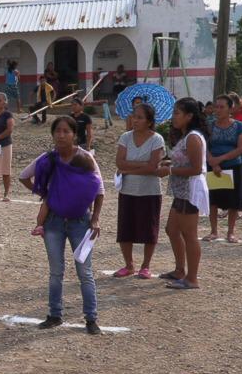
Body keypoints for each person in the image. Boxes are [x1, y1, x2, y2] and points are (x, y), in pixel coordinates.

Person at [20, 115, 104, 334]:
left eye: (66, 131)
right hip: (54, 222)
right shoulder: (48, 159)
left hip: (81, 222)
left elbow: (99, 189)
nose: (61, 135)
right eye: (58, 131)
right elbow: (23, 176)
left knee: (84, 272)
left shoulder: (85, 157)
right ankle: (54, 315)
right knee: (56, 271)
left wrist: (95, 218)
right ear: (53, 134)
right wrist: (46, 193)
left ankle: (91, 318)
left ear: (74, 134)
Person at [157, 97, 208, 290]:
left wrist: (169, 170)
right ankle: (180, 270)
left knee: (189, 234)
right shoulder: (186, 136)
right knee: (172, 229)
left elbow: (196, 168)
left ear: (189, 116)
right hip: (181, 191)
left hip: (190, 191)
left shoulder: (193, 137)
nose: (173, 117)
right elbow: (185, 163)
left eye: (177, 113)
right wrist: (170, 164)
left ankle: (192, 278)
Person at [113, 103, 167, 279]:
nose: (135, 120)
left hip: (149, 191)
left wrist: (129, 169)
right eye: (134, 116)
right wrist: (143, 165)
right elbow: (119, 162)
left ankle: (145, 266)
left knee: (149, 228)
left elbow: (154, 167)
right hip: (128, 190)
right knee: (125, 228)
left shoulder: (157, 139)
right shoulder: (125, 137)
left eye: (140, 117)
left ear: (149, 121)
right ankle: (129, 265)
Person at [204, 94, 242, 243]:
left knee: (234, 200)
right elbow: (205, 146)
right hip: (213, 167)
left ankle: (231, 232)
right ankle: (214, 231)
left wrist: (221, 159)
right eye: (216, 106)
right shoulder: (209, 125)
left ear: (230, 108)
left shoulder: (239, 126)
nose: (218, 110)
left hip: (233, 165)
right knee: (213, 199)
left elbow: (241, 148)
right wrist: (213, 162)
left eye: (222, 107)